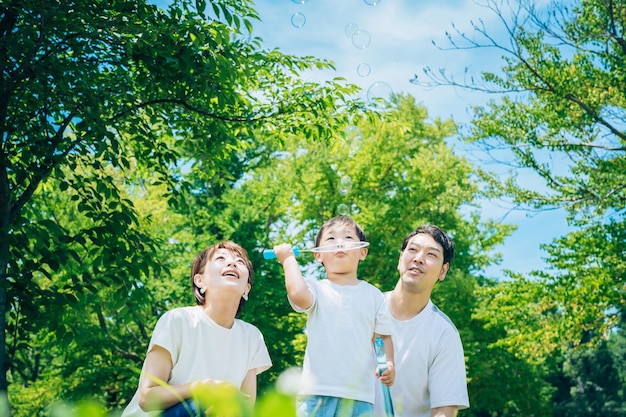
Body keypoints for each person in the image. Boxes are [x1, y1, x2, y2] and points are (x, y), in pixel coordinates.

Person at [121, 241, 272, 417]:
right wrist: (203, 387)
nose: (232, 263)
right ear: (200, 281)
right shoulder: (178, 320)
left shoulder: (252, 336)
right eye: (221, 258)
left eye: (240, 261)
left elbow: (245, 408)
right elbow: (147, 398)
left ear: (247, 288)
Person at [273, 215, 395, 417]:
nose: (339, 242)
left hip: (359, 396)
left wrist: (386, 364)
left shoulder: (374, 296)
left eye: (348, 237)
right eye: (331, 239)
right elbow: (298, 295)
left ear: (362, 252)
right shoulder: (316, 289)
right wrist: (288, 260)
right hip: (315, 394)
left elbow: (381, 338)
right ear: (318, 256)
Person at [374, 225, 469, 417]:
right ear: (400, 259)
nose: (418, 258)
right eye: (412, 250)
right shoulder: (367, 309)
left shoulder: (444, 333)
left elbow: (444, 410)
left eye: (431, 255)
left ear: (443, 271)